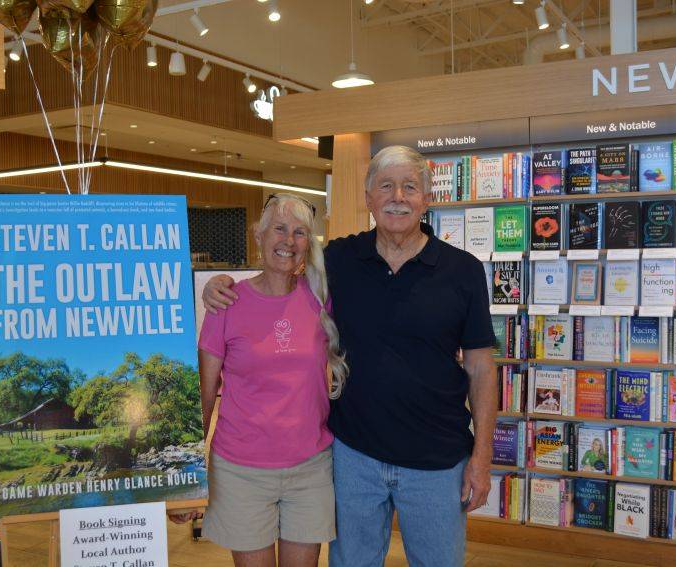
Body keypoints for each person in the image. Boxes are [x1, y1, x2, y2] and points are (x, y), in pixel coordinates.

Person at [204, 145, 498, 566]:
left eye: (410, 187)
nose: (398, 196)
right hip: (354, 459)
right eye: (386, 186)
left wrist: (482, 459)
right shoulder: (338, 261)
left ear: (427, 198)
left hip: (437, 463)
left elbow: (481, 368)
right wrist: (218, 285)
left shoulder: (464, 271)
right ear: (368, 198)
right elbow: (277, 276)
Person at [174, 193, 347, 567]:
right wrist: (185, 479)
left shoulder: (321, 299)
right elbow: (203, 396)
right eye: (279, 229)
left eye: (300, 233)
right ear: (258, 235)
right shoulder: (226, 303)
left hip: (311, 468)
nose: (289, 241)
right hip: (242, 470)